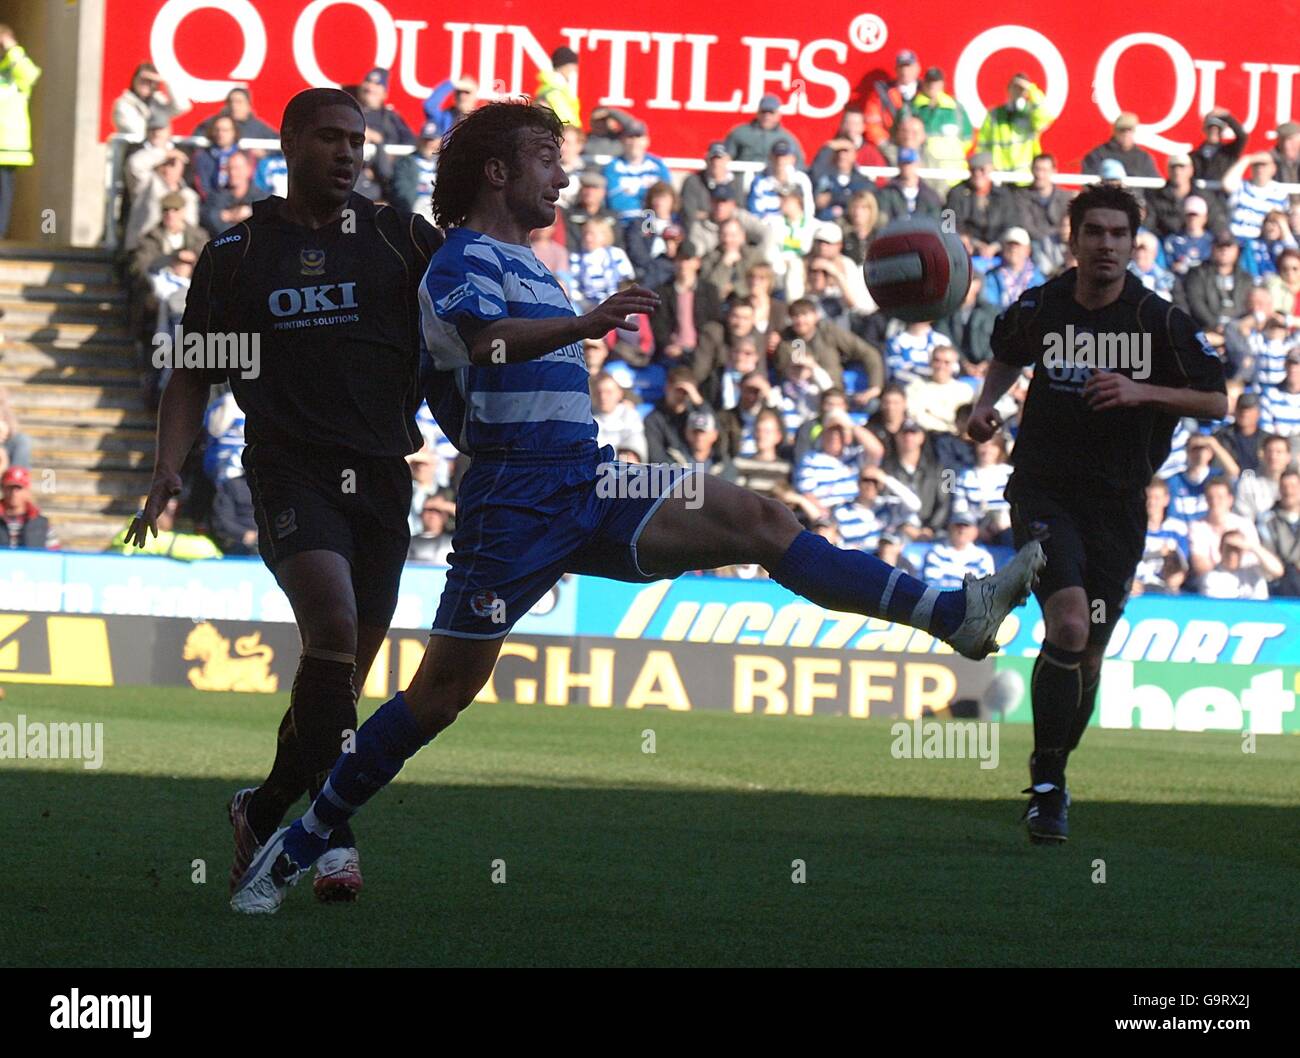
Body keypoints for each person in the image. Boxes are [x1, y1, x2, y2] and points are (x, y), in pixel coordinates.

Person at [231, 102, 1045, 912]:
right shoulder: (459, 262)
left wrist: (578, 331)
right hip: (511, 504)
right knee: (437, 698)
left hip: (591, 480)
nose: (562, 173)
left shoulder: (533, 260)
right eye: (547, 158)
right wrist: (585, 322)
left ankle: (952, 615)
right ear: (498, 172)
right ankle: (295, 846)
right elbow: (487, 345)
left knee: (762, 520)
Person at [129, 87, 443, 904]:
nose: (348, 153)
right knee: (333, 627)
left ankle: (263, 808)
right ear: (290, 141)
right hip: (288, 472)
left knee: (337, 672)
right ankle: (332, 838)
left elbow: (463, 332)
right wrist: (168, 463)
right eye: (331, 138)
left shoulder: (399, 237)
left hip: (381, 479)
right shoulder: (237, 256)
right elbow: (194, 370)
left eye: (358, 141)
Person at [969, 183, 1227, 843]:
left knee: (1090, 653)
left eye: (1118, 234)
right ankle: (1047, 787)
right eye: (1095, 232)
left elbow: (1216, 401)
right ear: (1074, 237)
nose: (1106, 245)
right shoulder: (1041, 306)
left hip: (1119, 503)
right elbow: (1005, 355)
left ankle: (1053, 769)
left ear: (1133, 243)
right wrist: (985, 407)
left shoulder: (1158, 319)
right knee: (1072, 622)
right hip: (1045, 491)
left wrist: (1144, 391)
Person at [0, 26, 40, 240]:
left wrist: (12, 48)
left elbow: (31, 74)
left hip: (7, 148)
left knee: (3, 194)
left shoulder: (16, 75)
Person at [906, 67, 972, 187]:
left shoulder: (955, 108)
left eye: (936, 81)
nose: (933, 85)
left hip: (954, 176)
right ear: (924, 83)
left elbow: (968, 139)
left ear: (942, 83)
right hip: (925, 175)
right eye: (929, 81)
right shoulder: (912, 108)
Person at [976, 74, 1051, 175]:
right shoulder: (995, 114)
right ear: (1008, 90)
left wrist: (1031, 89)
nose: (1017, 92)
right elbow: (983, 143)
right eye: (1014, 87)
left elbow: (1043, 117)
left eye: (1021, 89)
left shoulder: (1031, 114)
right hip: (999, 176)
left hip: (1024, 176)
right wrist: (985, 167)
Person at [1131, 476, 1189, 595]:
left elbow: (1183, 566)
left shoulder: (1176, 529)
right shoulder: (1132, 528)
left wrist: (1176, 577)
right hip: (1135, 589)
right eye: (1148, 497)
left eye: (1156, 498)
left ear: (1166, 499)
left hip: (1165, 589)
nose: (1151, 503)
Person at [724, 93, 806, 167]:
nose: (767, 116)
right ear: (758, 112)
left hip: (772, 180)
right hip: (742, 179)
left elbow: (799, 164)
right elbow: (725, 158)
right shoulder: (740, 133)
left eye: (771, 112)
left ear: (778, 115)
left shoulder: (786, 138)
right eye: (764, 112)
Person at [112, 62, 187, 142]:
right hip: (133, 150)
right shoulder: (123, 104)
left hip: (159, 150)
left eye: (150, 81)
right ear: (134, 80)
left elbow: (182, 106)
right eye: (142, 80)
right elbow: (137, 132)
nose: (145, 84)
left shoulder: (158, 101)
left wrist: (166, 81)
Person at [1223, 151, 1291, 240]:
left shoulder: (1280, 193)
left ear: (1273, 168)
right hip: (1236, 241)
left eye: (1264, 165)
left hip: (1263, 242)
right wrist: (1248, 159)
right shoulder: (1241, 186)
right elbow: (1227, 184)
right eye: (1256, 165)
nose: (1260, 169)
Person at [1258, 468, 1300, 595]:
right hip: (1280, 582)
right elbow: (1269, 551)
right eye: (1284, 487)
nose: (1289, 491)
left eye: (1293, 486)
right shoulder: (1266, 520)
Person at [1082, 112, 1159, 180]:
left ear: (1134, 131)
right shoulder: (1097, 155)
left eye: (1130, 129)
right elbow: (1089, 182)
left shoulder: (1143, 158)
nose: (1126, 133)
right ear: (1115, 131)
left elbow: (1154, 186)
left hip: (1137, 196)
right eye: (1122, 129)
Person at [1, 465, 58, 549]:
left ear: (27, 490)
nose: (14, 493)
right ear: (3, 489)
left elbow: (54, 555)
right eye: (10, 488)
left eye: (19, 488)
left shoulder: (42, 525)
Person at [391, 122, 440, 218]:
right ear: (419, 140)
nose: (428, 144)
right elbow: (402, 191)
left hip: (439, 207)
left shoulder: (444, 163)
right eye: (425, 140)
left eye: (432, 140)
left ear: (439, 141)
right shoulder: (405, 162)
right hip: (417, 208)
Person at [1192, 109, 1248, 187]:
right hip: (1200, 194)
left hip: (1223, 194)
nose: (1214, 132)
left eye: (1218, 129)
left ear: (1222, 131)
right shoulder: (1194, 156)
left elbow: (1242, 137)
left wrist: (1226, 116)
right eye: (1210, 128)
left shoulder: (1229, 152)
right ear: (1205, 130)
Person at [534, 46, 580, 127]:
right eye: (573, 65)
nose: (575, 69)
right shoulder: (555, 90)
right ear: (564, 66)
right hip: (563, 136)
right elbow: (564, 118)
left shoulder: (557, 87)